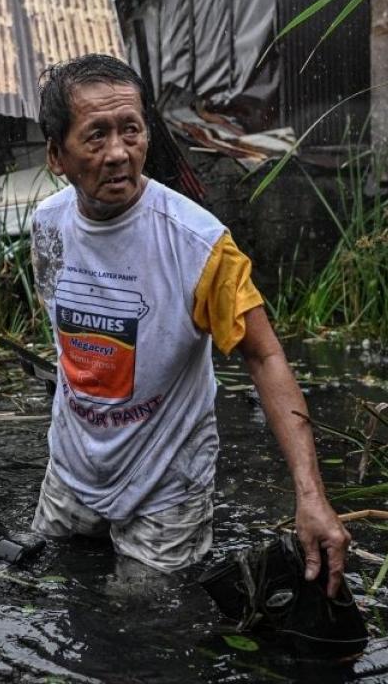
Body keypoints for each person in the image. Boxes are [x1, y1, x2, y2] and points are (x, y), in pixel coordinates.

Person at [29, 53, 350, 596]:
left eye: (130, 130)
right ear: (57, 155)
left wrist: (311, 495)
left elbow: (265, 356)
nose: (117, 153)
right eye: (96, 135)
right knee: (49, 587)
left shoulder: (198, 244)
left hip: (165, 488)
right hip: (70, 471)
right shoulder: (47, 225)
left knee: (146, 625)